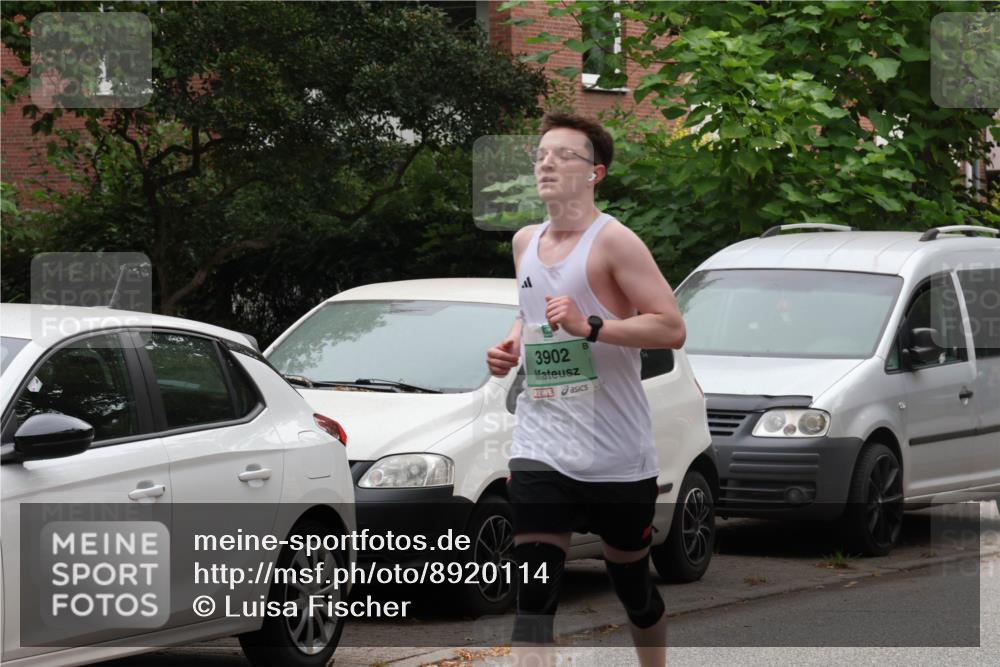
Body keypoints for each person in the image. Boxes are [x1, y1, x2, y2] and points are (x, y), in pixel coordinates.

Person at [486, 112, 687, 667]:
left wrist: (591, 326)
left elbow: (670, 327)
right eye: (540, 155)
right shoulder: (525, 242)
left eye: (563, 155)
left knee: (633, 589)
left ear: (595, 173)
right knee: (533, 601)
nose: (546, 164)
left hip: (616, 454)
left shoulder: (615, 242)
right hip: (542, 445)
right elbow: (531, 315)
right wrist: (510, 345)